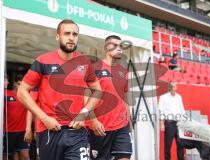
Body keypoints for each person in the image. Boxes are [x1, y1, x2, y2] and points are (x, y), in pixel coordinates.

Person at [17, 19, 102, 160]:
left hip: (77, 131)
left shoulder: (84, 62)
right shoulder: (42, 61)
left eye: (75, 34)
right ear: (58, 36)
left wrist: (84, 114)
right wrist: (44, 118)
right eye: (67, 33)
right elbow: (22, 92)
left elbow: (97, 91)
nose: (71, 37)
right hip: (49, 131)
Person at [88, 35, 132, 160]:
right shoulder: (94, 68)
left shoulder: (123, 71)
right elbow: (86, 98)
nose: (119, 49)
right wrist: (94, 121)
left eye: (121, 46)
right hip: (100, 128)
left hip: (121, 127)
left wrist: (129, 122)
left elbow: (124, 98)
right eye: (115, 45)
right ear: (107, 47)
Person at [3, 76, 32, 160]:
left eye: (23, 85)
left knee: (25, 155)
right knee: (6, 156)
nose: (21, 86)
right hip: (8, 131)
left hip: (23, 132)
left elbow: (32, 112)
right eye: (19, 84)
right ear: (15, 83)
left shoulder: (27, 96)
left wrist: (31, 130)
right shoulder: (5, 93)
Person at [159, 82, 185, 160]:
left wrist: (184, 122)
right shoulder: (163, 97)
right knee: (168, 145)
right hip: (169, 124)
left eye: (175, 86)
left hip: (179, 124)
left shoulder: (179, 97)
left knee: (180, 144)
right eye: (173, 86)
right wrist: (162, 123)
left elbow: (182, 110)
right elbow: (161, 111)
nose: (175, 88)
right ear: (169, 87)